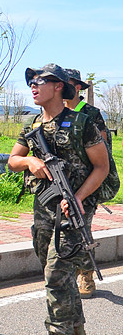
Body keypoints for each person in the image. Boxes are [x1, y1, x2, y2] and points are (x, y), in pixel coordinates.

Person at [8, 64, 108, 335]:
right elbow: (12, 161)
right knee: (56, 273)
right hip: (44, 209)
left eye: (39, 81)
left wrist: (78, 197)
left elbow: (102, 167)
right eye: (31, 82)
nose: (33, 86)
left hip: (74, 210)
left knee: (56, 273)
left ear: (59, 87)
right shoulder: (33, 124)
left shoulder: (81, 123)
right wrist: (29, 160)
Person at [63, 68, 110, 300]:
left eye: (67, 82)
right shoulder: (56, 112)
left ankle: (86, 274)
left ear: (78, 87)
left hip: (87, 182)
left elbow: (102, 146)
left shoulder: (91, 113)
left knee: (82, 227)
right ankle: (66, 274)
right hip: (60, 183)